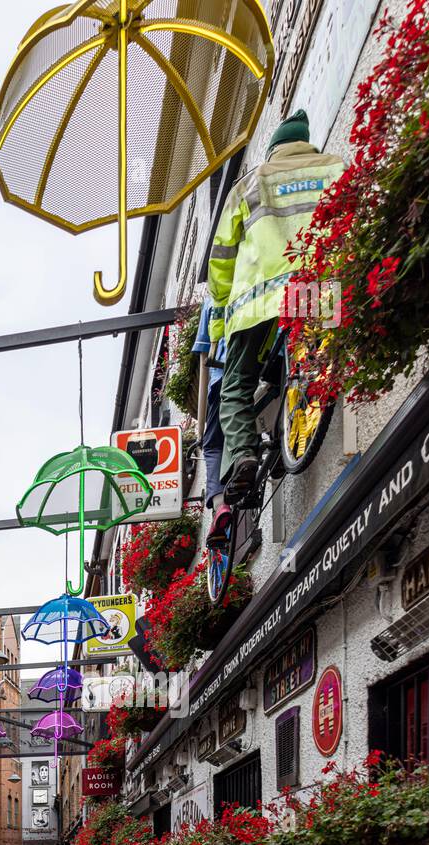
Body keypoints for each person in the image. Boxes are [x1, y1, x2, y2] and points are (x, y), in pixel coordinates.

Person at [207, 110, 344, 520]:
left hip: (258, 302)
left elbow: (221, 264)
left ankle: (246, 454)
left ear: (272, 149)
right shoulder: (334, 167)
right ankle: (308, 386)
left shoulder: (247, 185)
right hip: (316, 288)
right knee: (317, 350)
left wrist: (219, 323)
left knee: (236, 384)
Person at [190, 297, 230, 542]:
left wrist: (199, 430)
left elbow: (204, 361)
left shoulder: (212, 300)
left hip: (223, 375)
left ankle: (220, 505)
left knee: (213, 444)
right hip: (270, 359)